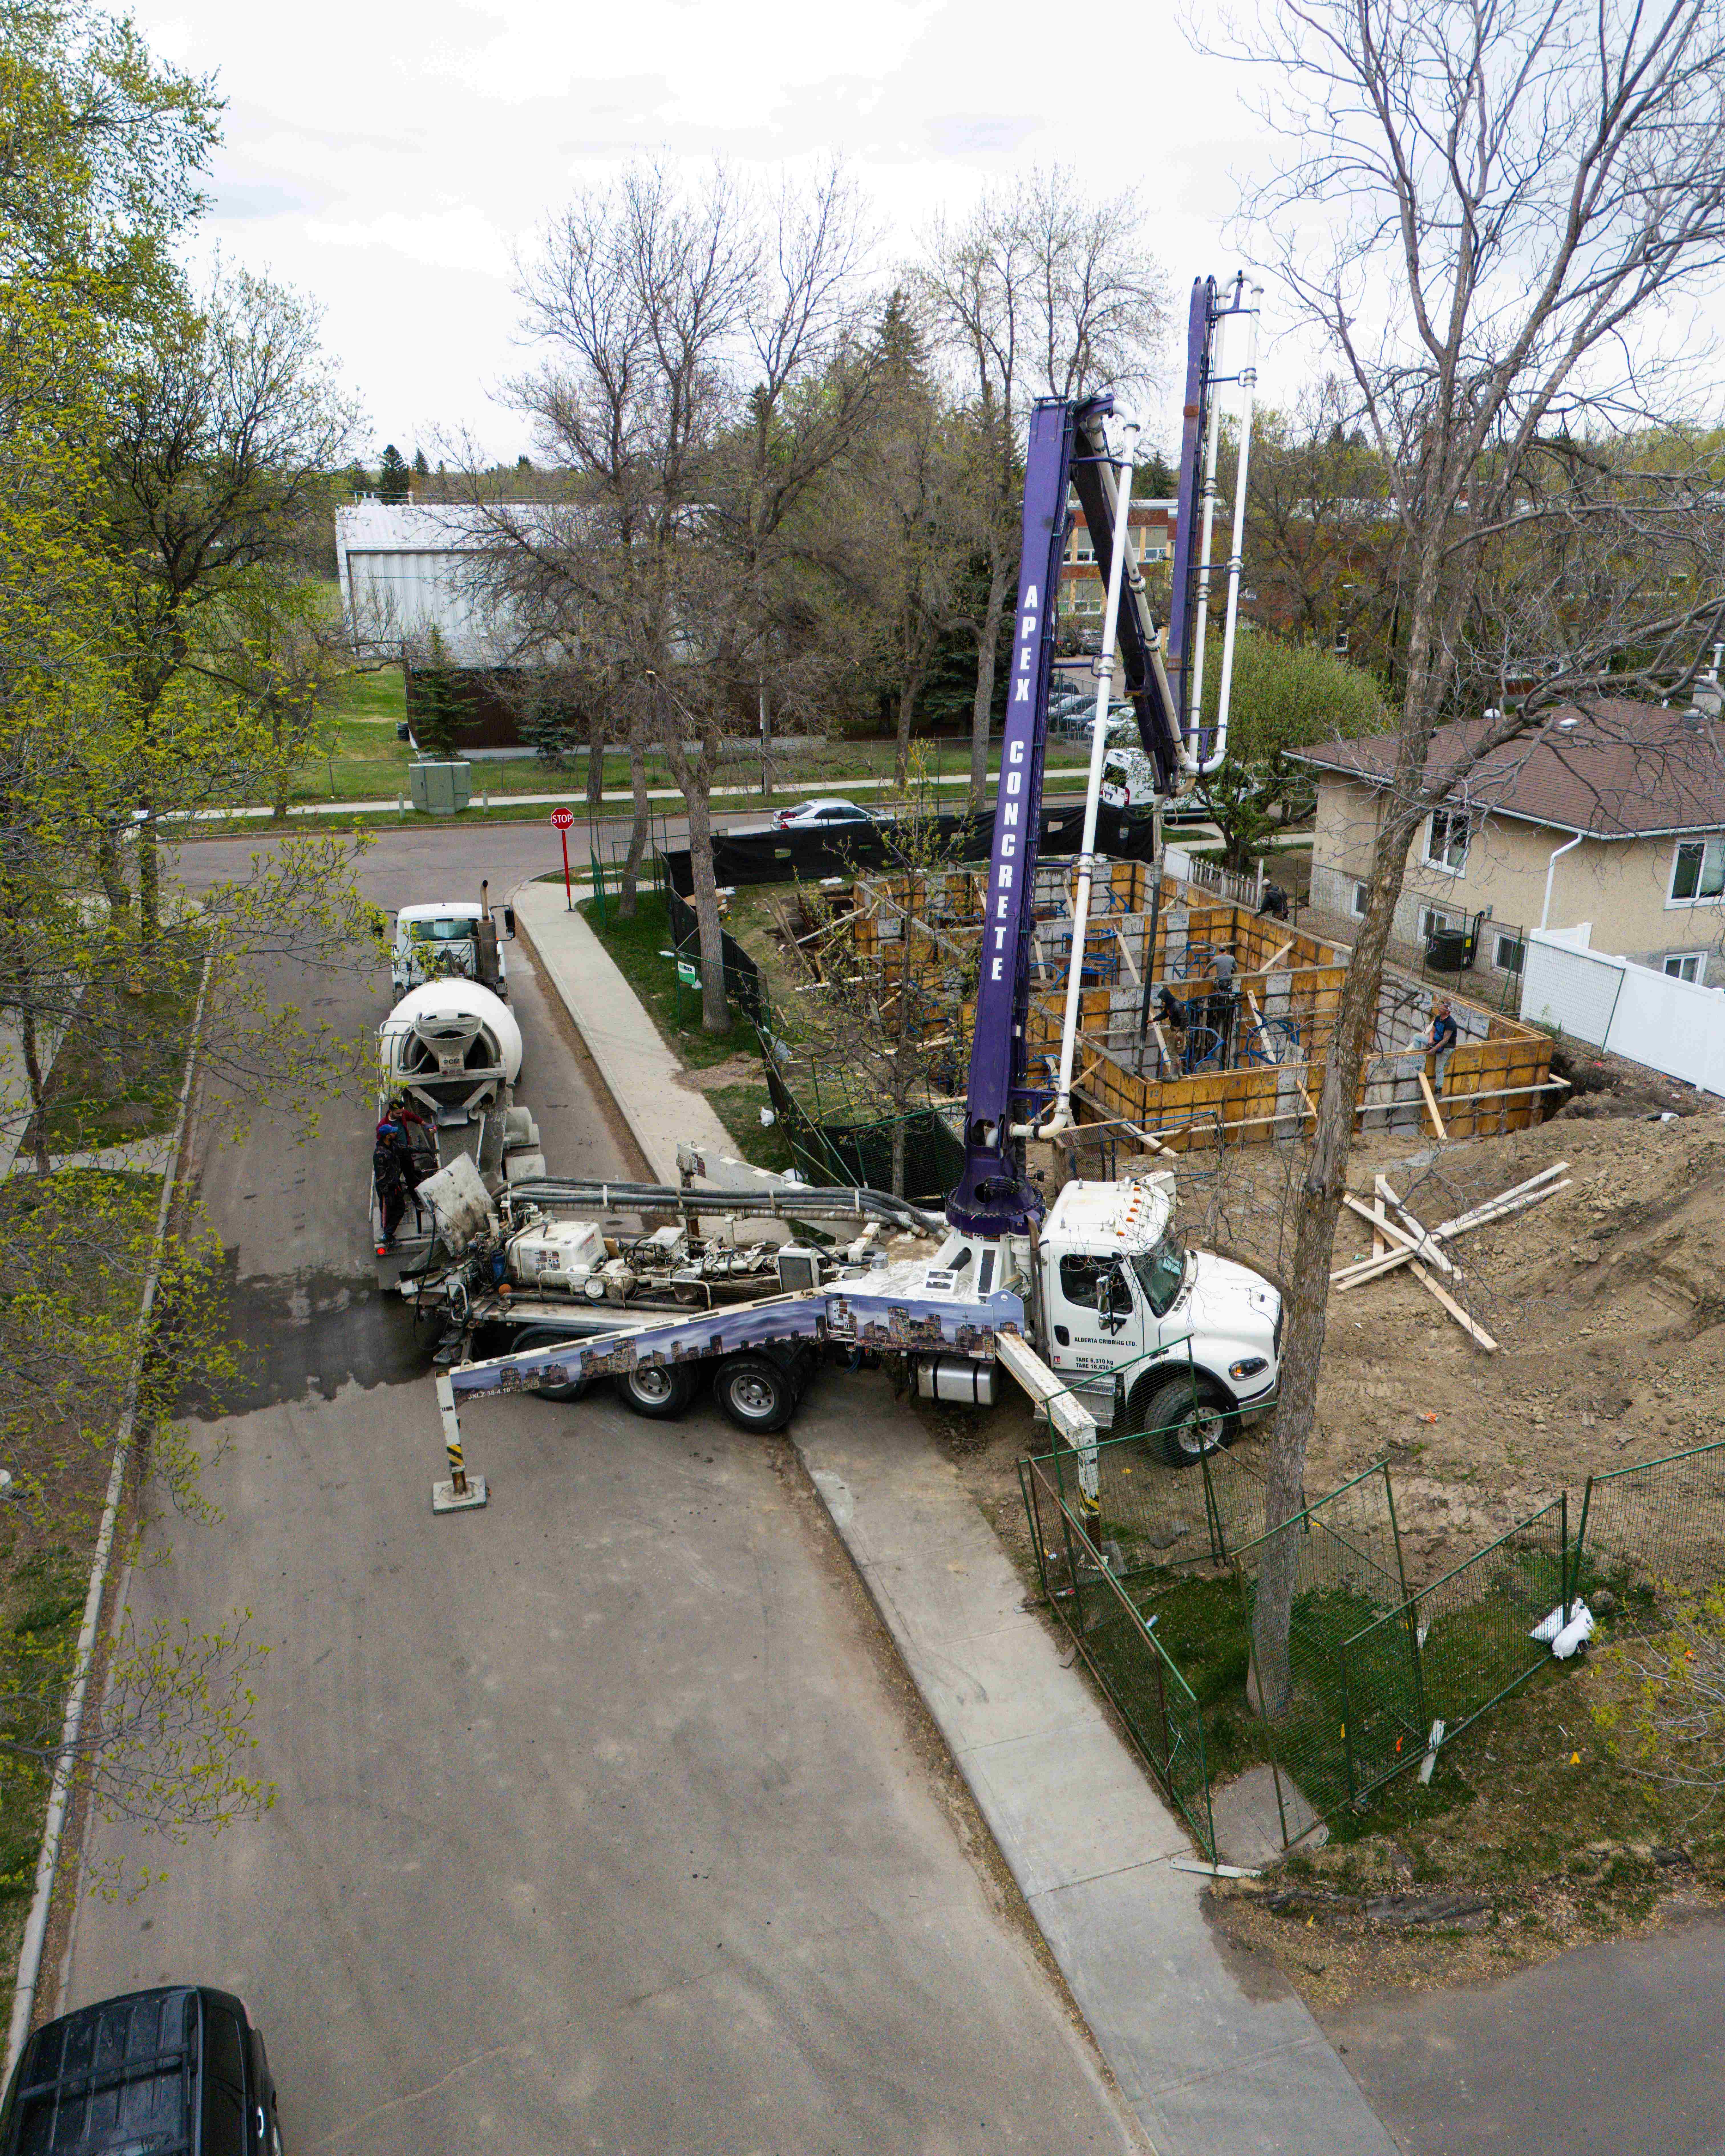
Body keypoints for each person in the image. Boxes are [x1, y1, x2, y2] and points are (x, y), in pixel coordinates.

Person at [1422, 997, 1459, 1090]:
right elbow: (1432, 1031)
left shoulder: (1451, 1023)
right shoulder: (1438, 1018)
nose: (1439, 1009)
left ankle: (1438, 1090)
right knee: (1417, 1037)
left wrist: (1434, 1050)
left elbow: (1446, 1041)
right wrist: (1431, 1040)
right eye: (1439, 1007)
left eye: (1442, 1008)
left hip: (1447, 1048)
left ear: (1448, 1012)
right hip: (1437, 1043)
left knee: (1439, 1069)